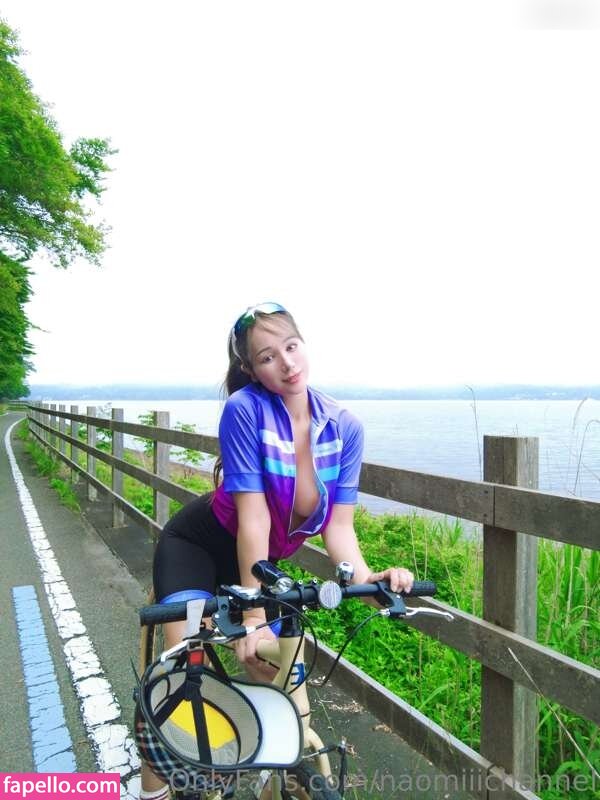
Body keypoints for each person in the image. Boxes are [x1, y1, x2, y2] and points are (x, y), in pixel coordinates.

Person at [140, 302, 414, 799]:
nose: (287, 363)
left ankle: (274, 775)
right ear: (251, 369)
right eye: (268, 357)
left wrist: (369, 580)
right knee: (180, 680)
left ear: (303, 344)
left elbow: (339, 529)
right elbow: (255, 518)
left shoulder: (344, 427)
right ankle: (155, 787)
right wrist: (252, 615)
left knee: (279, 679)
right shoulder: (245, 410)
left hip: (260, 566)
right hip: (199, 548)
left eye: (291, 346)